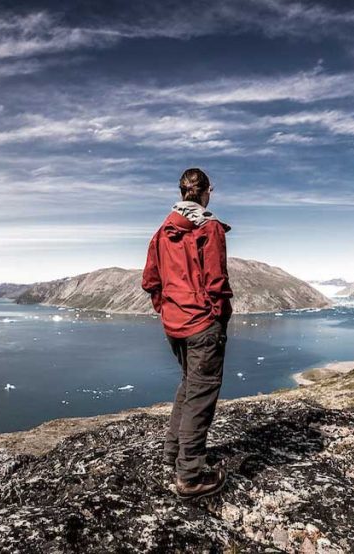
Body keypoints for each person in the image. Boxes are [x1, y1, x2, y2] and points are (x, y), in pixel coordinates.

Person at [142, 167, 233, 499]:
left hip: (174, 324)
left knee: (189, 383)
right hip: (202, 324)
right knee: (201, 393)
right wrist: (217, 316)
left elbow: (151, 281)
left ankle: (173, 452)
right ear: (208, 191)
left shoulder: (163, 231)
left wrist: (167, 309)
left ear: (181, 193)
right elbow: (216, 282)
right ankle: (190, 476)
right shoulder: (209, 228)